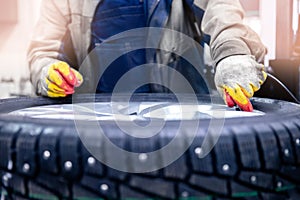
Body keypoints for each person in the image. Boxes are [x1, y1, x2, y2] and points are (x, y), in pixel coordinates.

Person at [27, 0, 267, 112]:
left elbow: (221, 9)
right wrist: (48, 72)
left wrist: (232, 53)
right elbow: (43, 53)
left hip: (183, 117)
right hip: (96, 120)